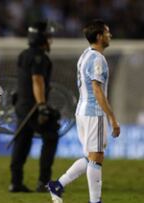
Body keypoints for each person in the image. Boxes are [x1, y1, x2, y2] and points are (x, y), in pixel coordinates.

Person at [48, 19, 120, 203]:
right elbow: (96, 89)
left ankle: (58, 185)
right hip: (93, 112)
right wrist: (112, 118)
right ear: (99, 36)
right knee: (96, 158)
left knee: (91, 157)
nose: (109, 35)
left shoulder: (85, 55)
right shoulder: (97, 59)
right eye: (107, 32)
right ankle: (95, 201)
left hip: (82, 110)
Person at [9, 21, 60, 193]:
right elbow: (37, 80)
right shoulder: (40, 57)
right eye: (48, 36)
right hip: (33, 107)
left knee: (22, 142)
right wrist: (42, 105)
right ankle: (43, 181)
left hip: (22, 105)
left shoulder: (24, 54)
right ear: (41, 38)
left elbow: (23, 79)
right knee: (51, 135)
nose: (50, 40)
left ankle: (15, 182)